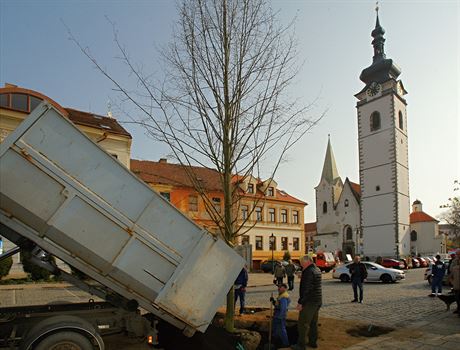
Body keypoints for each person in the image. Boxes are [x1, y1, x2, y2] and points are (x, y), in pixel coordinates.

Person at [291, 255, 322, 350]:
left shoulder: (308, 272)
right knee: (313, 323)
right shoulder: (316, 269)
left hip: (309, 301)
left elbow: (306, 289)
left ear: (307, 262)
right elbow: (313, 283)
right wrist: (303, 275)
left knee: (303, 323)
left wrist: (301, 303)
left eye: (302, 263)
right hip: (317, 300)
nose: (301, 266)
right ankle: (313, 342)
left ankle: (301, 345)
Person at [270, 283, 291, 347]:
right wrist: (273, 301)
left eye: (280, 287)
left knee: (282, 330)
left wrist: (281, 317)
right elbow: (277, 305)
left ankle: (285, 344)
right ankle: (276, 341)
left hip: (279, 315)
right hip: (277, 314)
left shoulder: (284, 297)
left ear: (285, 288)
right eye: (278, 287)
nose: (278, 289)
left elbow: (283, 308)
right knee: (276, 329)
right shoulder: (281, 295)